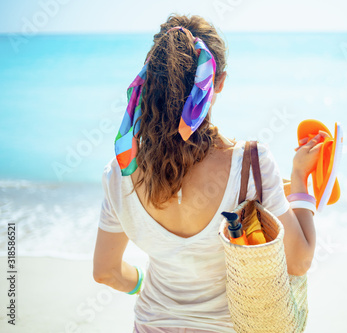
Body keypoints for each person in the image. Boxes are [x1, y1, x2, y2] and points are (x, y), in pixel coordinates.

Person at [93, 14, 326, 333]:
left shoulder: (118, 172)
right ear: (219, 81)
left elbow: (106, 272)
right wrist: (300, 180)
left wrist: (142, 285)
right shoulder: (252, 164)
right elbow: (299, 261)